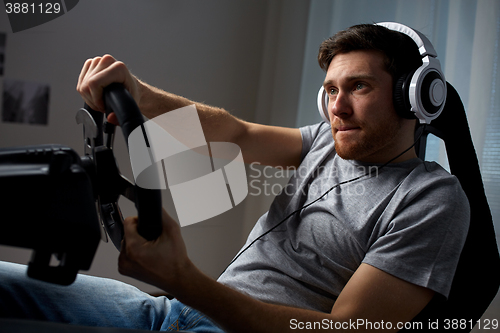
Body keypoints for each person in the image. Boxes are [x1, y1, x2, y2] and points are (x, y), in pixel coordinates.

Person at [0, 23, 469, 332]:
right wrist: (138, 94)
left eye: (358, 87)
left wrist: (184, 279)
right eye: (330, 90)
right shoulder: (329, 139)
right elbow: (236, 134)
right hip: (174, 311)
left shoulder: (431, 200)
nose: (337, 107)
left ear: (413, 97)